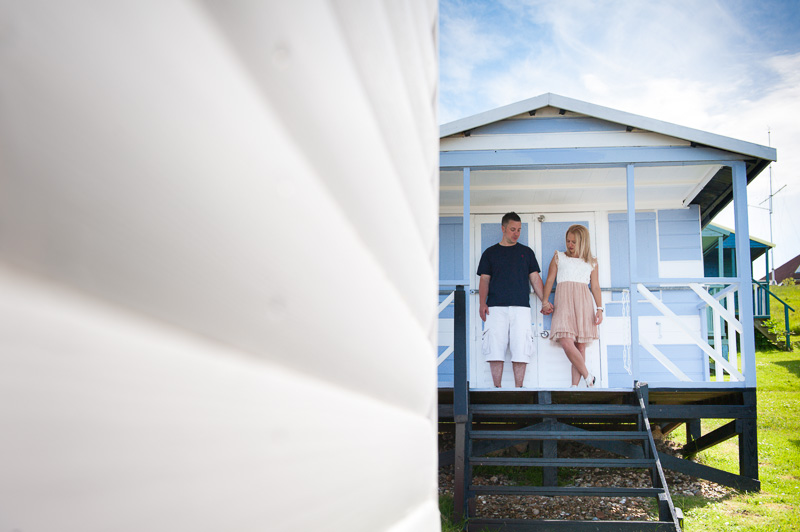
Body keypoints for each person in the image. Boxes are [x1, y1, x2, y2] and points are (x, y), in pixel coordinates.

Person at [477, 212, 553, 388]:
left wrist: (545, 301)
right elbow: (484, 280)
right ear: (503, 229)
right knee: (494, 349)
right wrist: (482, 303)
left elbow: (535, 279)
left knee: (522, 349)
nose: (516, 233)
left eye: (519, 230)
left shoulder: (526, 252)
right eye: (512, 229)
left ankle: (519, 390)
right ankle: (497, 390)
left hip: (521, 308)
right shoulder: (490, 253)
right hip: (495, 308)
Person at [541, 224, 603, 388]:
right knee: (566, 341)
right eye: (568, 241)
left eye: (574, 242)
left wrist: (599, 309)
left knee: (580, 346)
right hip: (564, 302)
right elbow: (549, 280)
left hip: (583, 303)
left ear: (583, 242)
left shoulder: (591, 262)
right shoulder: (559, 257)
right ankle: (588, 376)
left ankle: (574, 386)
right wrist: (545, 301)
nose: (570, 244)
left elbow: (595, 287)